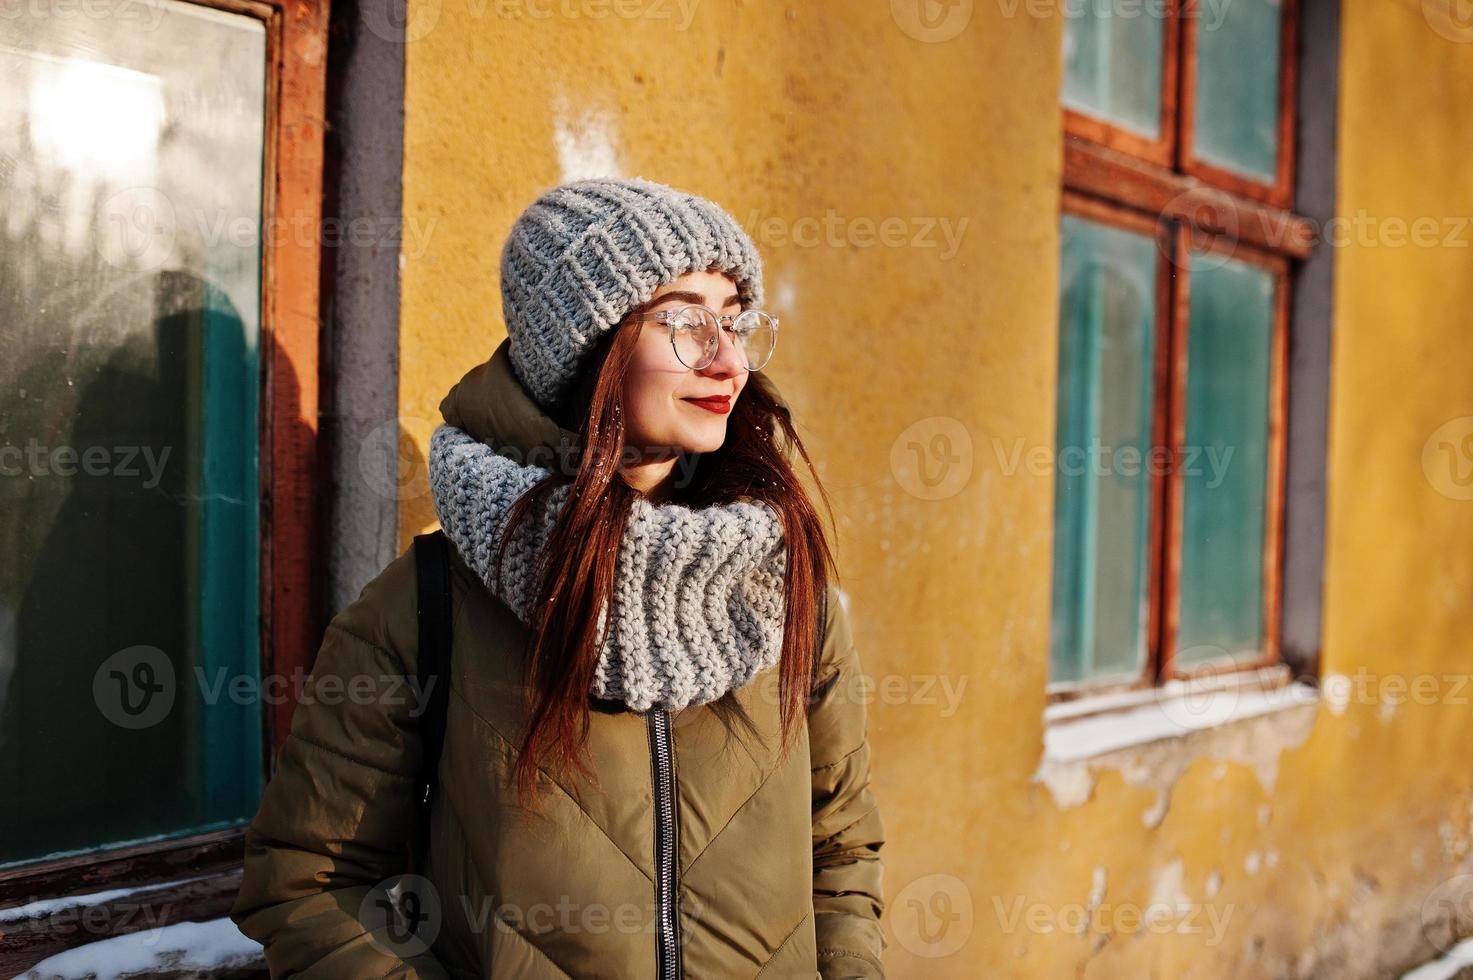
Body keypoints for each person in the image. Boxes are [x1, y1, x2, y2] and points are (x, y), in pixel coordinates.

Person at [230, 177, 887, 978]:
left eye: (733, 320)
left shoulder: (785, 588)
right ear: (582, 347)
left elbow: (842, 846)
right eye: (681, 319)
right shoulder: (429, 603)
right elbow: (308, 881)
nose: (728, 360)